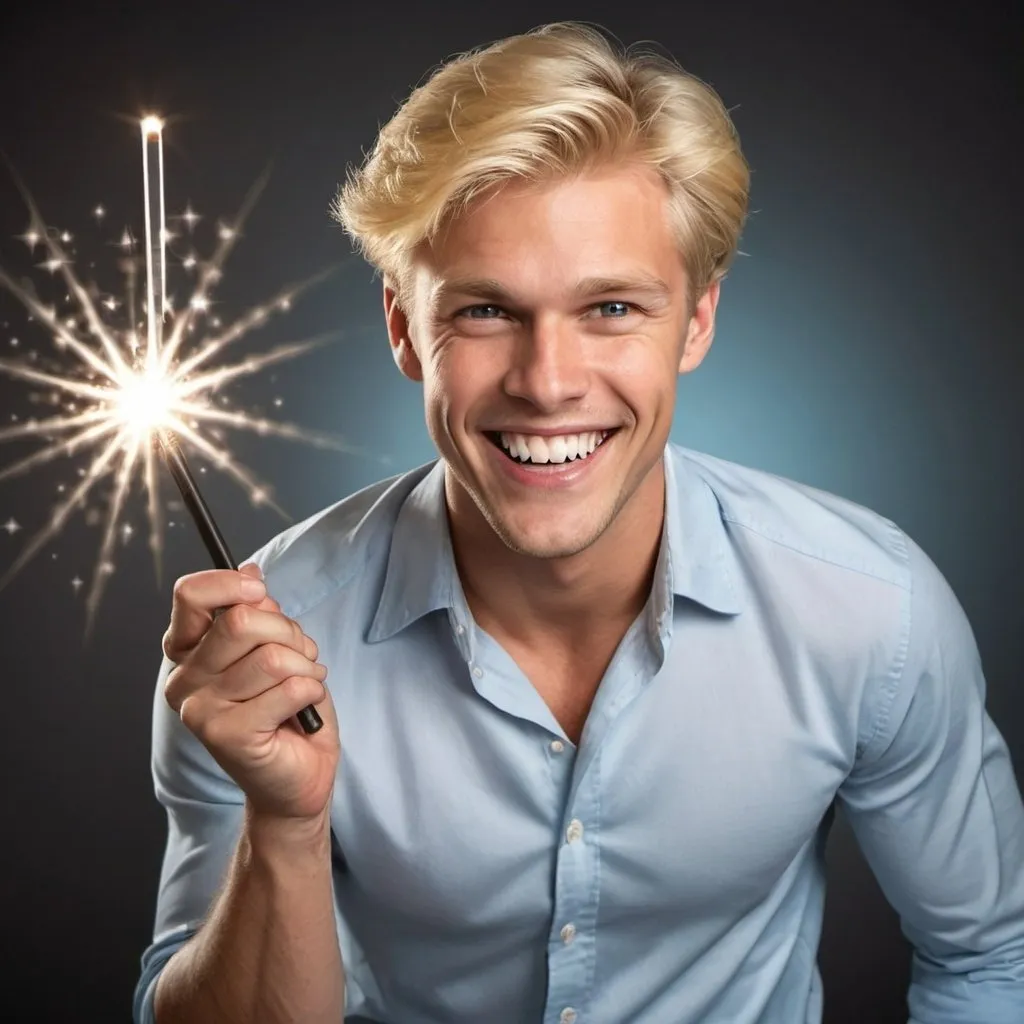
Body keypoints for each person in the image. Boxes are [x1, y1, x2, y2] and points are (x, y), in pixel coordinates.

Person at [132, 21, 1024, 1024]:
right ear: (402, 329)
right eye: (484, 311)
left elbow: (991, 955)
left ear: (696, 321)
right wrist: (283, 826)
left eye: (609, 309)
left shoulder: (872, 614)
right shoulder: (257, 649)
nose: (547, 383)